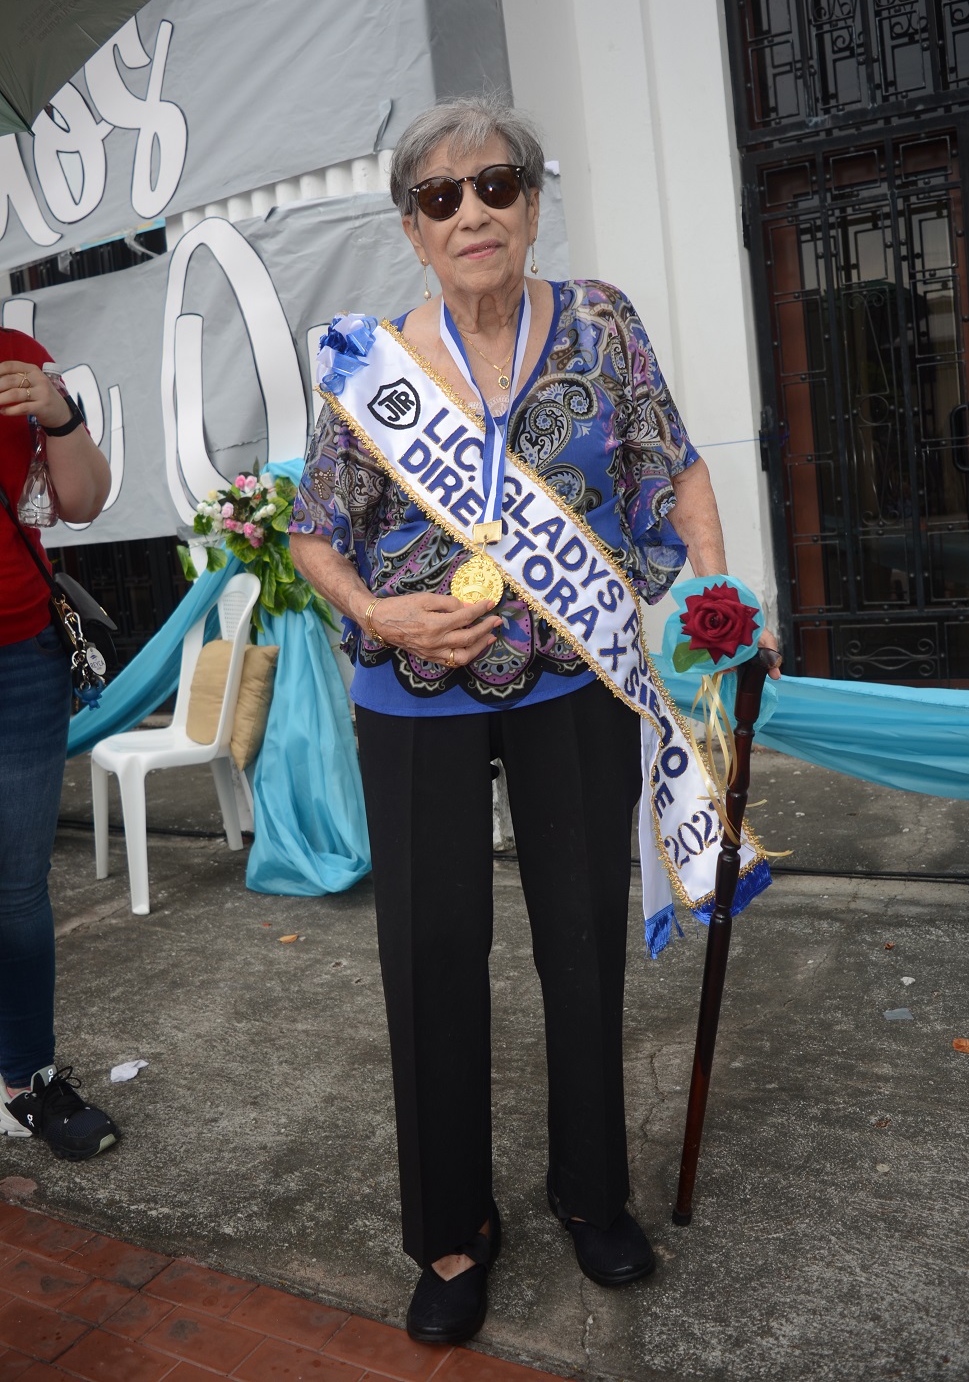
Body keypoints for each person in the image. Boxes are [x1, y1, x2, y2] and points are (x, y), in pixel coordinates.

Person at [289, 97, 779, 1344]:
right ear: (411, 227)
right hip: (412, 699)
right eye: (442, 196)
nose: (474, 212)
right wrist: (384, 617)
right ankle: (451, 1227)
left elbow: (672, 464)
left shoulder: (602, 320)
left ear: (533, 200)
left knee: (580, 939)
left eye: (496, 184)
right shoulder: (368, 364)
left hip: (574, 683)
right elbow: (311, 536)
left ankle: (589, 1187)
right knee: (431, 960)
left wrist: (715, 585)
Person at [0, 330, 119, 1161]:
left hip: (22, 660)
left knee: (16, 891)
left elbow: (80, 504)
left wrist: (60, 415)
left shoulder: (13, 352)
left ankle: (23, 1083)